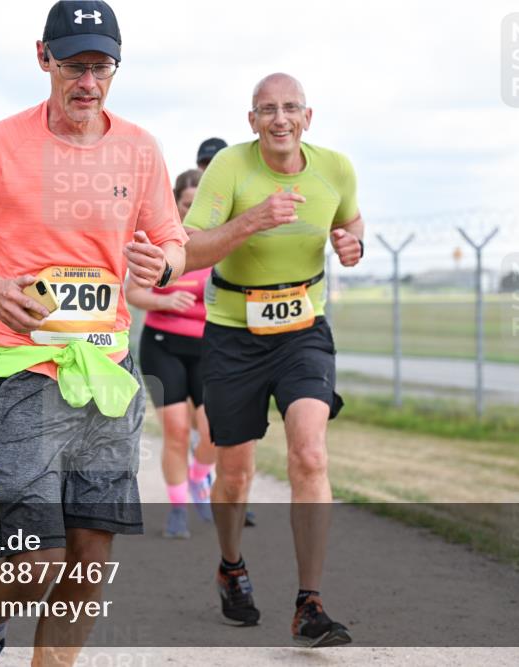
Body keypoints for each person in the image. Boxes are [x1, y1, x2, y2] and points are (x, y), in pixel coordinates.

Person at [0, 2, 187, 664]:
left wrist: (167, 260)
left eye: (101, 67)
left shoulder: (140, 148)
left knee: (91, 551)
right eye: (74, 66)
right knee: (37, 555)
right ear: (43, 57)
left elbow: (172, 239)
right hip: (24, 370)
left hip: (107, 374)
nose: (88, 83)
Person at [184, 73, 364, 648]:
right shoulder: (230, 169)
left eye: (290, 108)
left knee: (309, 453)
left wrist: (352, 242)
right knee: (234, 475)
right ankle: (231, 566)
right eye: (268, 110)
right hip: (234, 333)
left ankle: (309, 602)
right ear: (252, 120)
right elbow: (188, 251)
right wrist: (251, 221)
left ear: (307, 117)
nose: (280, 119)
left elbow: (349, 219)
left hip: (302, 330)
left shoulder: (335, 167)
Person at [125, 168, 214, 539]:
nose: (192, 213)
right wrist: (167, 300)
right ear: (175, 205)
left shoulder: (218, 245)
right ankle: (178, 508)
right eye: (186, 205)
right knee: (177, 432)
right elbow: (133, 293)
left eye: (199, 206)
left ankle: (197, 479)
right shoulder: (163, 244)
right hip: (163, 345)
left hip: (211, 347)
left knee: (214, 432)